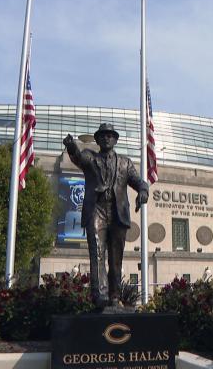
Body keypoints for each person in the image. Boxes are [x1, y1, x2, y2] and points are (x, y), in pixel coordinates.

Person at [63, 123, 149, 307]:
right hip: (97, 209)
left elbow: (140, 182)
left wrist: (143, 192)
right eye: (102, 135)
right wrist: (71, 146)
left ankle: (115, 296)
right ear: (97, 139)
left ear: (115, 139)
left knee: (115, 259)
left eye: (110, 135)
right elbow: (78, 158)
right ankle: (100, 295)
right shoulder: (90, 157)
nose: (106, 138)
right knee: (97, 254)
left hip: (118, 213)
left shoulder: (125, 163)